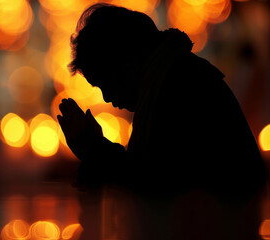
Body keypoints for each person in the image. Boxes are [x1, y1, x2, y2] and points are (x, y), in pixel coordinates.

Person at [57, 3, 266, 197]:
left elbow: (157, 187)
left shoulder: (180, 89)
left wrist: (95, 151)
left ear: (126, 62)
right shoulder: (170, 79)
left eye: (105, 83)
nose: (108, 97)